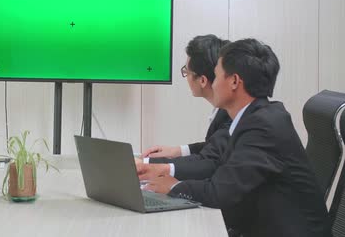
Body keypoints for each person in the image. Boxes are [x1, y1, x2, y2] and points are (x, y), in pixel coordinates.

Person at [141, 39, 330, 237]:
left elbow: (220, 191)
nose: (212, 83)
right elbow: (221, 169)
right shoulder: (255, 117)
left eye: (216, 75)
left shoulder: (263, 127)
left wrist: (173, 186)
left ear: (234, 82)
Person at [136, 35, 231, 180]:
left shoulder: (231, 114)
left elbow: (209, 161)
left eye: (186, 72)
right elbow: (213, 147)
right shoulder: (223, 111)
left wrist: (147, 165)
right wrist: (178, 150)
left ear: (203, 80)